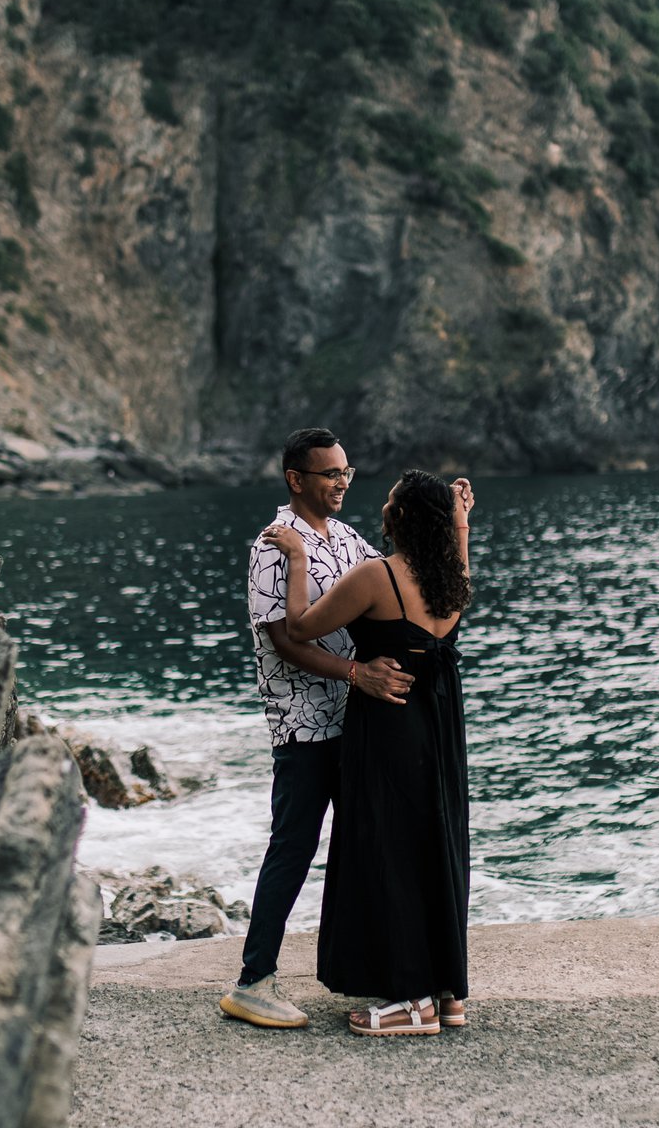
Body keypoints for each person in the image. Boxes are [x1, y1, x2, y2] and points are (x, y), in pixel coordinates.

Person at [260, 468, 475, 1037]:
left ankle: (410, 1003)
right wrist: (462, 520)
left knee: (392, 850)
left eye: (389, 501)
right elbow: (454, 551)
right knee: (434, 843)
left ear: (401, 517)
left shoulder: (377, 577)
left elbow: (300, 627)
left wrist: (301, 557)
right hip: (441, 728)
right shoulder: (452, 578)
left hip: (390, 725)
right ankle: (447, 994)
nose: (380, 506)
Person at [219, 429, 415, 1030]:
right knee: (294, 848)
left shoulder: (349, 539)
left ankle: (374, 974)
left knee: (362, 845)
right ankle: (253, 981)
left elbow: (384, 590)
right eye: (329, 474)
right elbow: (283, 637)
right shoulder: (273, 544)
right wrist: (358, 672)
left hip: (353, 720)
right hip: (303, 725)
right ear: (296, 479)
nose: (341, 483)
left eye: (347, 472)